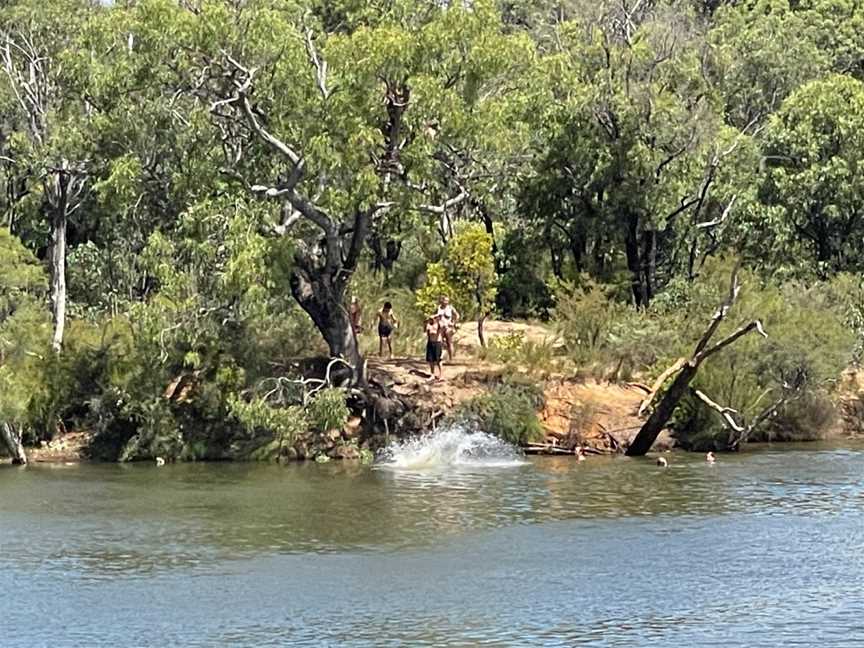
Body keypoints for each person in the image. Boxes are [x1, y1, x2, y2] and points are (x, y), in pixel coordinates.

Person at [435, 295, 460, 361]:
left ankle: (451, 358)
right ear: (442, 301)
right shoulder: (439, 308)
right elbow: (435, 316)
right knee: (439, 342)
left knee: (449, 343)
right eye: (445, 300)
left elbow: (457, 315)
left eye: (447, 301)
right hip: (440, 327)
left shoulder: (450, 308)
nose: (446, 302)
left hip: (448, 328)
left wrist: (454, 323)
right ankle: (439, 357)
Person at [425, 314, 444, 381]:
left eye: (433, 319)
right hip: (430, 343)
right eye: (431, 319)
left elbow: (441, 326)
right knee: (431, 360)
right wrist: (427, 322)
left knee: (439, 360)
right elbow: (426, 332)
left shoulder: (438, 324)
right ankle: (432, 374)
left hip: (437, 343)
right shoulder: (429, 325)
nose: (432, 320)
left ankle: (441, 375)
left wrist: (437, 317)